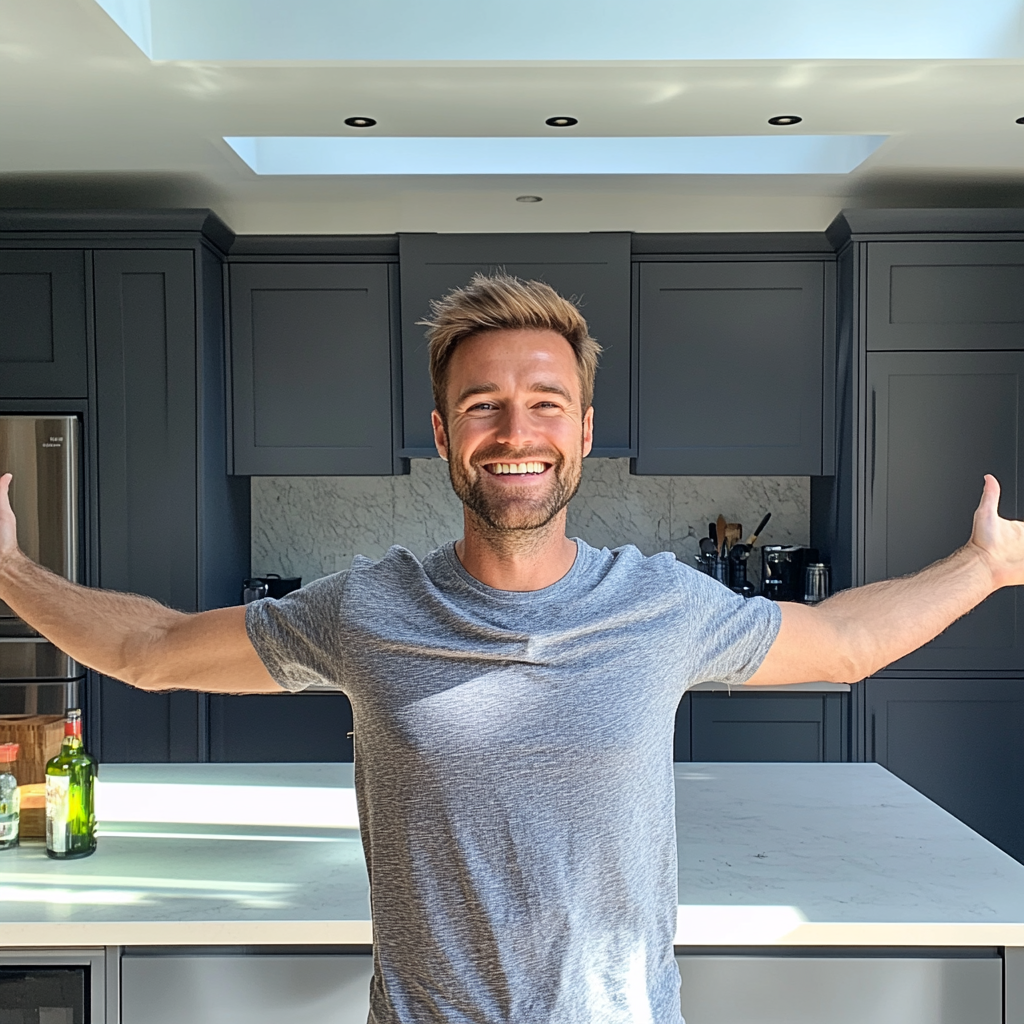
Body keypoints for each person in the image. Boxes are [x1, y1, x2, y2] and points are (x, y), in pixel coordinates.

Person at [0, 272, 1022, 1024]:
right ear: (443, 436)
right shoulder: (364, 610)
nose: (513, 429)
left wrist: (981, 567)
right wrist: (11, 569)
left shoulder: (661, 605)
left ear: (580, 432)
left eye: (544, 404)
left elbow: (838, 642)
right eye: (482, 404)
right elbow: (154, 646)